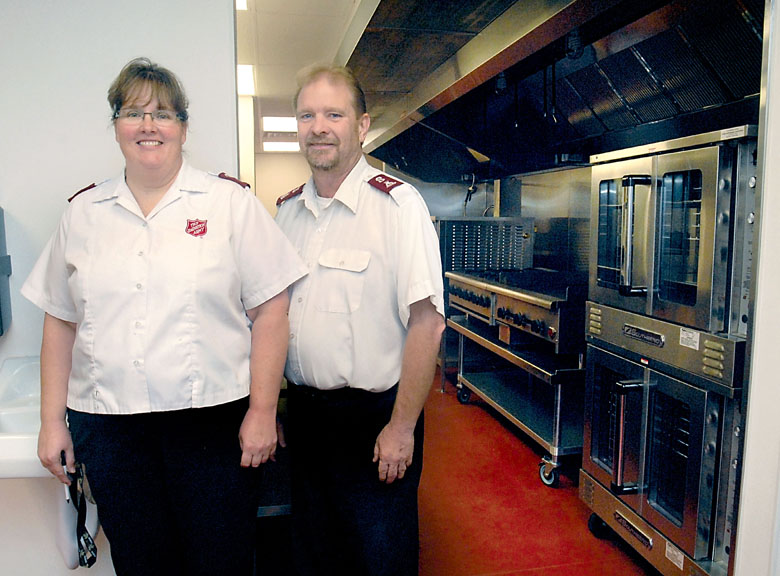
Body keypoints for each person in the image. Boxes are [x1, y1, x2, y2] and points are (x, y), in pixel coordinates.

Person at [21, 57, 307, 576]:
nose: (148, 125)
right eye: (133, 112)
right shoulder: (83, 213)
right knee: (140, 561)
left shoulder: (228, 204)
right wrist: (50, 422)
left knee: (221, 560)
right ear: (115, 126)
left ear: (184, 126)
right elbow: (59, 321)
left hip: (212, 429)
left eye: (164, 114)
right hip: (111, 431)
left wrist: (263, 411)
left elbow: (272, 308)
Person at [274, 64, 446, 576]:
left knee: (378, 558)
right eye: (307, 115)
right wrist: (278, 407)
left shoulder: (397, 207)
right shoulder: (286, 213)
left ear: (362, 125)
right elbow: (275, 320)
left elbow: (427, 324)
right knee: (314, 555)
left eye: (333, 114)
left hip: (374, 423)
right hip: (305, 420)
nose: (318, 126)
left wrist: (402, 427)